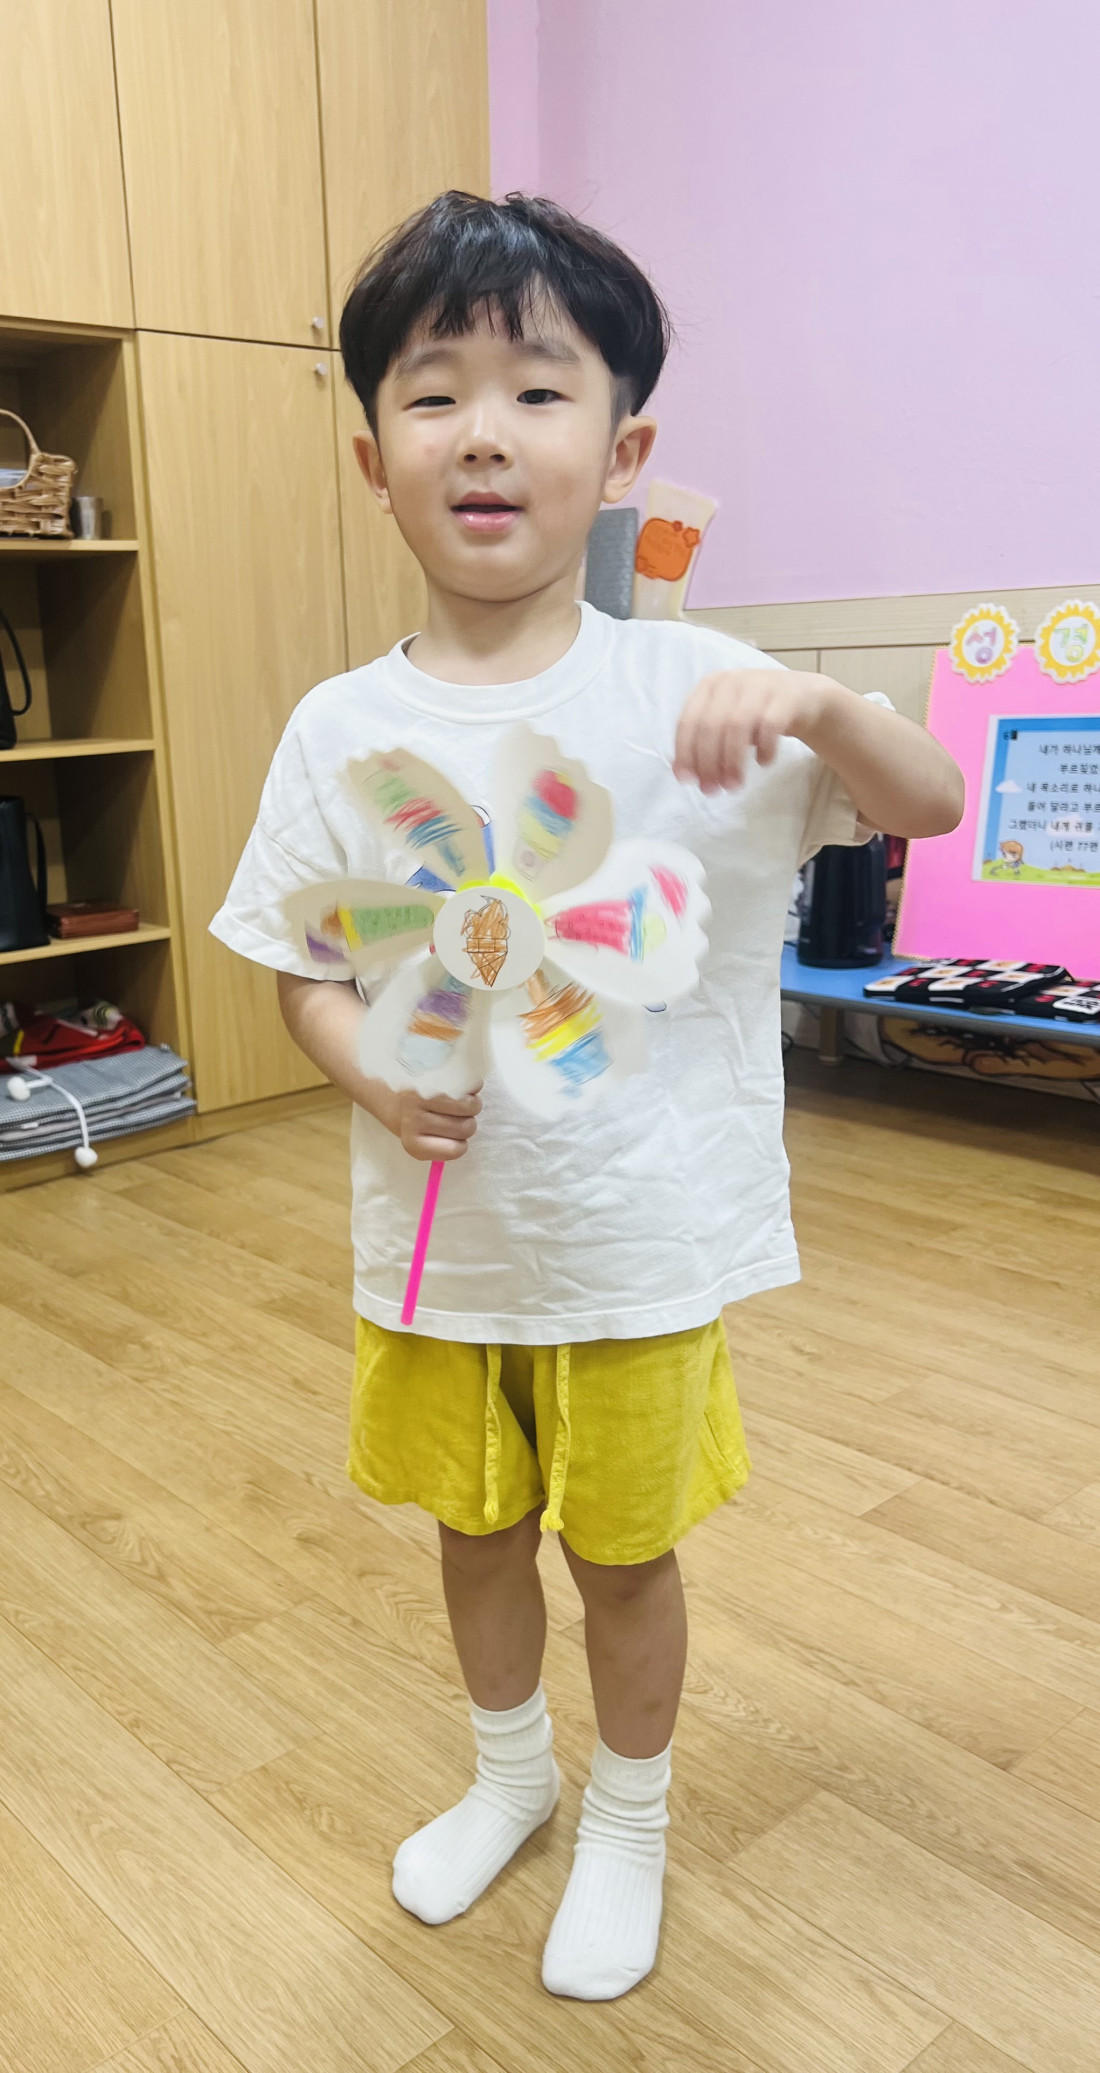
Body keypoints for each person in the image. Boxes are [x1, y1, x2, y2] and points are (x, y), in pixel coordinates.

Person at [211, 191, 963, 2002]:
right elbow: (305, 964)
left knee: (624, 1558)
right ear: (372, 458)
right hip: (442, 1248)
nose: (483, 433)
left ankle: (631, 1813)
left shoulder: (700, 684)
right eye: (432, 393)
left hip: (638, 1242)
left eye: (538, 391)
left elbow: (929, 803)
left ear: (621, 452)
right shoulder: (339, 728)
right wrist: (368, 1071)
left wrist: (821, 708)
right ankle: (511, 1776)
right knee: (473, 1532)